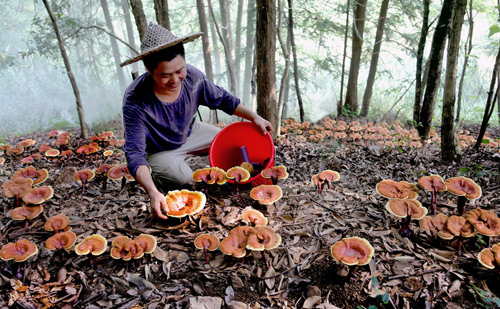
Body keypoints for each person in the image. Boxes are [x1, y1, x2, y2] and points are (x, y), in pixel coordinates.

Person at [120, 23, 273, 220]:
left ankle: (237, 181)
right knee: (184, 180)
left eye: (179, 70)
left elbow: (224, 100)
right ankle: (162, 181)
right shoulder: (136, 100)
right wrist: (152, 192)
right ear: (149, 72)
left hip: (191, 131)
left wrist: (254, 116)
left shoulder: (193, 77)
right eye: (165, 75)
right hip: (160, 150)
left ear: (184, 63)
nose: (175, 80)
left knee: (231, 143)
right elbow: (134, 154)